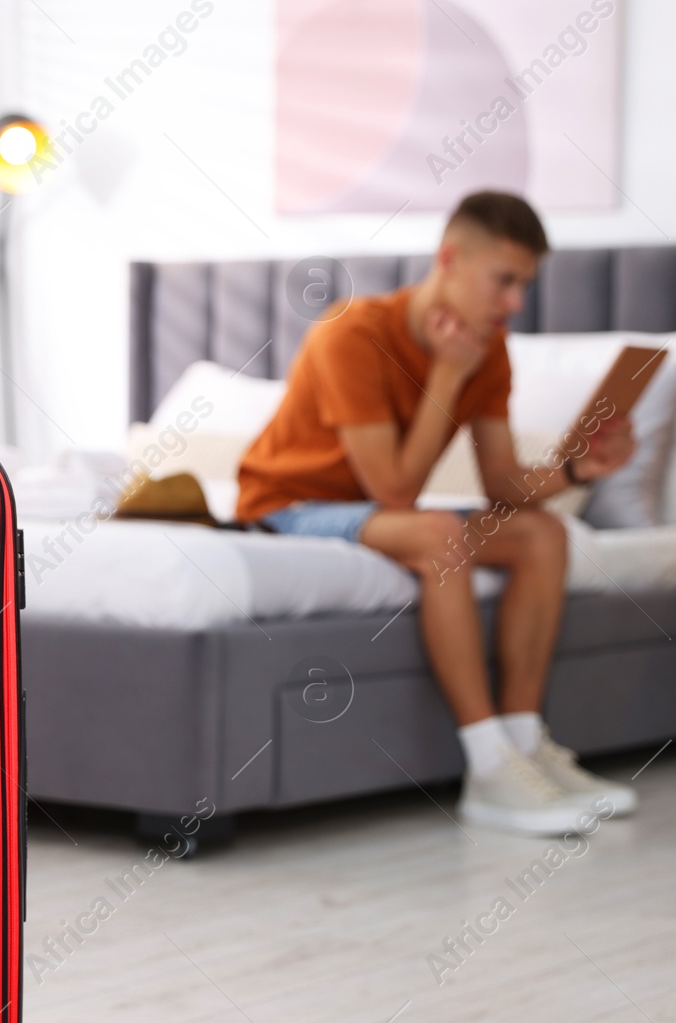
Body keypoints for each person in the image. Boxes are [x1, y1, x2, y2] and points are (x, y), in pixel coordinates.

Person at [236, 191, 637, 836]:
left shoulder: (489, 349)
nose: (513, 304)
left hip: (374, 507)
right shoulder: (353, 333)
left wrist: (575, 470)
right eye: (503, 281)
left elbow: (503, 482)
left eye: (524, 285)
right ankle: (487, 770)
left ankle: (524, 746)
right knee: (436, 531)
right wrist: (448, 377)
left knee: (542, 534)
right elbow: (395, 492)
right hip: (291, 505)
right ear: (449, 259)